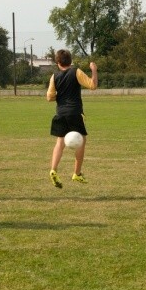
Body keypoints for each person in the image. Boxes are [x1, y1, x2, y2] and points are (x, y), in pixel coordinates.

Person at [46, 49, 98, 188]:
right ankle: (77, 173)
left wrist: (60, 96)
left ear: (58, 63)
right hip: (74, 112)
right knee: (81, 140)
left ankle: (53, 169)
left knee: (59, 142)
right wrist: (93, 70)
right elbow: (93, 86)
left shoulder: (54, 76)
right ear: (71, 61)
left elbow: (49, 97)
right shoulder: (76, 72)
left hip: (60, 113)